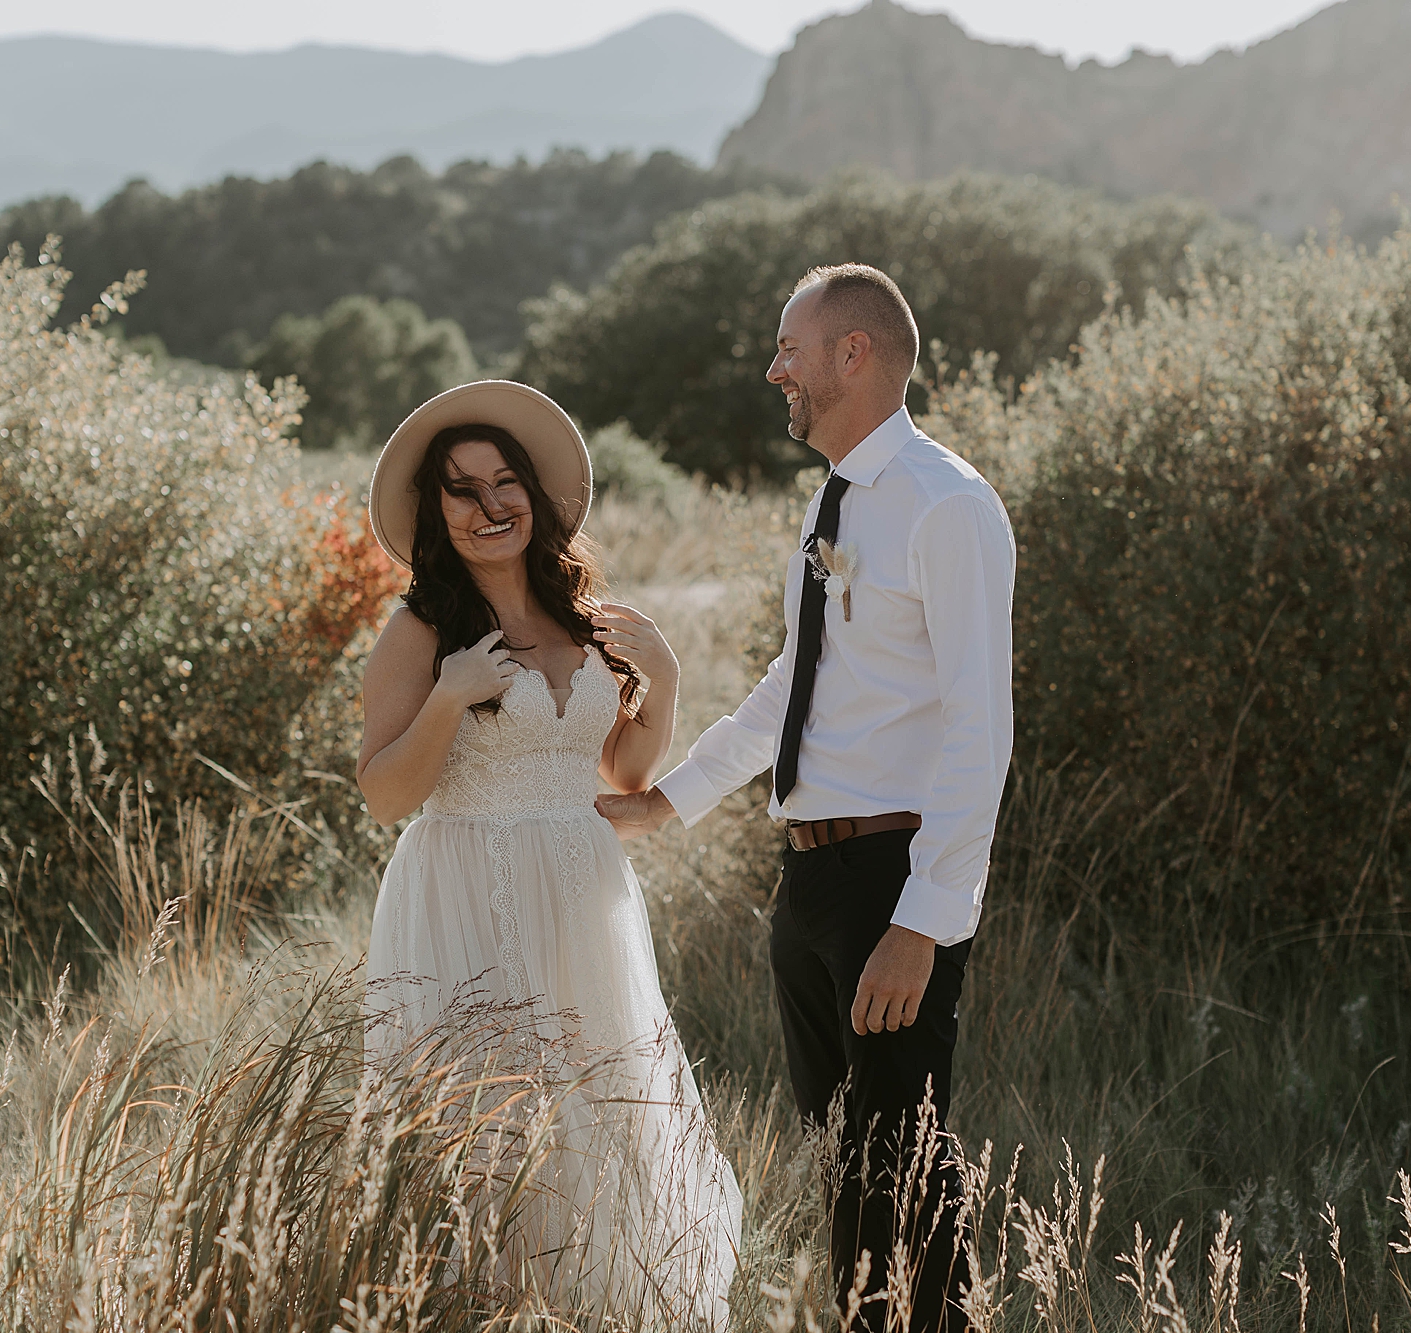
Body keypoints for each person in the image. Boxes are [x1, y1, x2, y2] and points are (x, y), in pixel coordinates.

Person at [599, 264, 1015, 1331]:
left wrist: (922, 922)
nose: (772, 369)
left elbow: (980, 730)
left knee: (899, 1168)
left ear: (853, 353)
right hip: (812, 883)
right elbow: (798, 681)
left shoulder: (946, 505)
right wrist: (669, 801)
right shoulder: (830, 504)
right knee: (851, 1165)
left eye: (790, 348)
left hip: (892, 881)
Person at [356, 380, 741, 1328]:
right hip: (467, 887)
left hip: (582, 892)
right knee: (487, 1115)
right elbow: (384, 795)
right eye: (462, 490)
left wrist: (664, 677)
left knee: (599, 1099)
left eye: (505, 483)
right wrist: (450, 695)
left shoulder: (585, 617)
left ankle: (596, 1305)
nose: (488, 506)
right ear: (437, 511)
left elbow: (622, 769)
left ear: (533, 493)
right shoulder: (420, 629)